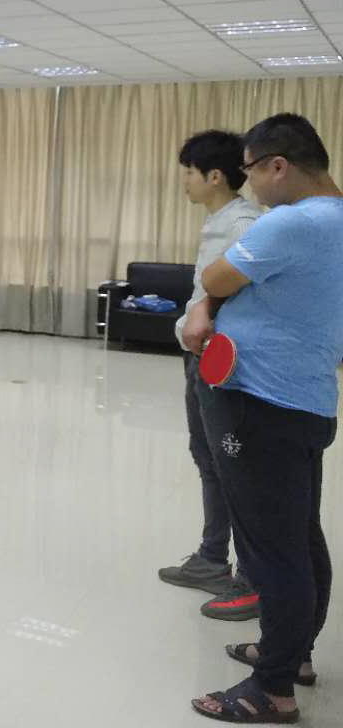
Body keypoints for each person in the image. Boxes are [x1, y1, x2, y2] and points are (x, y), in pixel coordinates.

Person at [185, 113, 343, 724]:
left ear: (279, 165)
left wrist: (208, 300)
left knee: (272, 550)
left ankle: (272, 689)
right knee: (298, 537)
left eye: (250, 170)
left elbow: (216, 276)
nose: (248, 182)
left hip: (260, 402)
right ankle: (292, 655)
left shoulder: (294, 222)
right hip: (305, 400)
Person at [158, 130, 261, 621]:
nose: (184, 181)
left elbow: (239, 299)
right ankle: (212, 557)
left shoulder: (243, 225)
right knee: (207, 459)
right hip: (198, 358)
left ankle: (251, 578)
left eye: (189, 172)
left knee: (232, 467)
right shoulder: (218, 221)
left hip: (223, 364)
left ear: (215, 176)